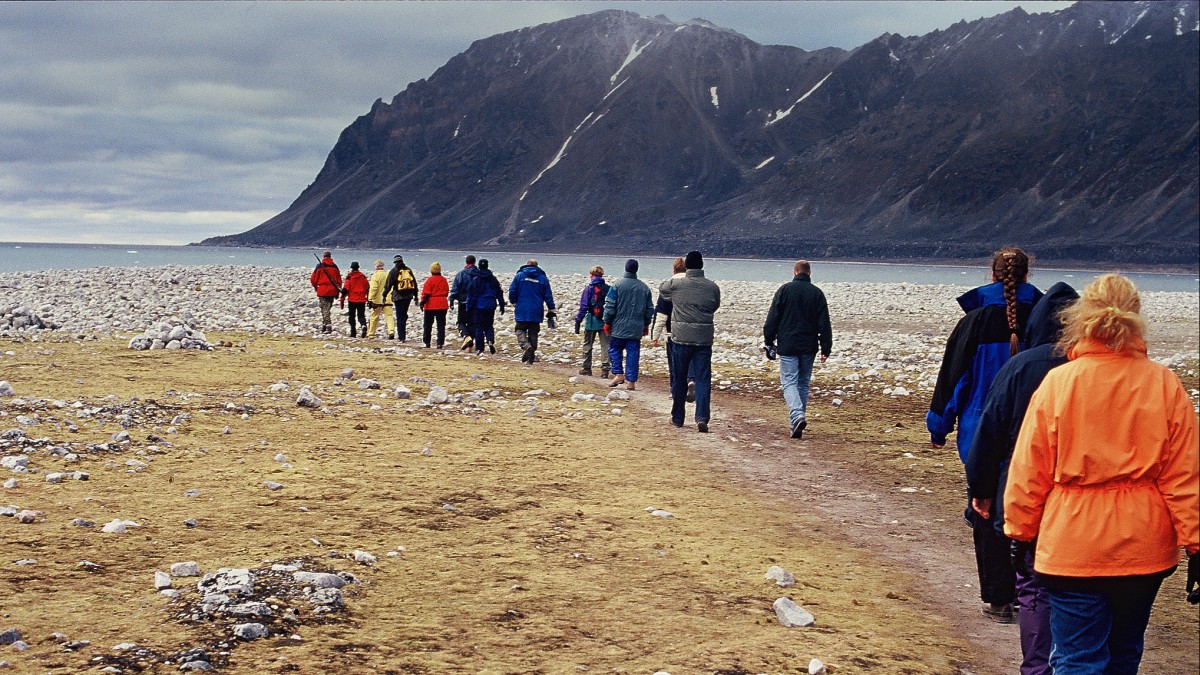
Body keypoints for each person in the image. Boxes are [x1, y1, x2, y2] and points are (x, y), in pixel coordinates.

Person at [1003, 274, 1199, 674]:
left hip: (1072, 543)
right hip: (1144, 546)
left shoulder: (1059, 382)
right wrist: (1195, 542)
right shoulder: (1163, 383)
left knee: (1077, 658)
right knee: (1125, 653)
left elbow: (1030, 468)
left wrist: (1019, 532)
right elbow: (1184, 474)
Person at [965, 281, 1079, 673]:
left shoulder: (1022, 366)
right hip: (1087, 504)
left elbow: (990, 432)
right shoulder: (1104, 371)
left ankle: (1038, 665)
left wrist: (980, 491)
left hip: (1027, 488)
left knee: (1034, 586)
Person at [927, 246, 1041, 623]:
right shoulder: (1044, 321)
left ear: (991, 276)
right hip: (1036, 431)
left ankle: (999, 598)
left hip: (981, 430)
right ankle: (1033, 591)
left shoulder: (974, 321)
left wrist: (939, 426)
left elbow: (953, 379)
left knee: (984, 505)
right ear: (1027, 275)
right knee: (1034, 508)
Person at [762, 259, 832, 439]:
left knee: (789, 382)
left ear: (795, 272)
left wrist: (768, 340)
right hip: (809, 346)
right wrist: (826, 347)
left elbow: (773, 318)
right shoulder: (817, 293)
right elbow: (824, 323)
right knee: (802, 383)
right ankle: (796, 422)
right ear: (809, 273)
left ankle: (797, 416)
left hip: (788, 344)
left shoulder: (784, 290)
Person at [658, 250, 720, 432]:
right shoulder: (712, 287)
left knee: (679, 378)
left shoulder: (677, 285)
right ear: (702, 266)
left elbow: (662, 289)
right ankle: (702, 417)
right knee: (702, 379)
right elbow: (714, 305)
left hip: (680, 338)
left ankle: (677, 417)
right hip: (703, 339)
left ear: (686, 266)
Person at [602, 259, 655, 391]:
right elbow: (649, 309)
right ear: (637, 269)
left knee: (614, 349)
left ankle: (618, 374)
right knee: (633, 353)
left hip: (619, 325)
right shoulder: (644, 288)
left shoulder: (617, 286)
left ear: (625, 269)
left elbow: (610, 306)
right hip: (636, 326)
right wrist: (646, 323)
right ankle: (631, 382)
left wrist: (607, 321)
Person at [651, 257, 694, 401]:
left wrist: (655, 335)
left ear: (673, 270)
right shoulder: (694, 286)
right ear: (687, 269)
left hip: (673, 331)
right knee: (691, 359)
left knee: (674, 363)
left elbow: (661, 315)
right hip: (692, 330)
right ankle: (691, 380)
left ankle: (675, 390)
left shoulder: (668, 287)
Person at [508, 259, 556, 364]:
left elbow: (512, 290)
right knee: (533, 331)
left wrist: (513, 301)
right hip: (536, 308)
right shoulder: (543, 278)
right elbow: (548, 295)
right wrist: (551, 308)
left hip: (522, 307)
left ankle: (526, 346)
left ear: (527, 265)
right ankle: (531, 353)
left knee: (519, 329)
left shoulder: (519, 276)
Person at [574, 265, 611, 377]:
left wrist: (578, 320)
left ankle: (586, 368)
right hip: (605, 320)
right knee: (605, 345)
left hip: (591, 319)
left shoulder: (588, 288)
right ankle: (605, 370)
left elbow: (584, 306)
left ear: (592, 275)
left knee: (588, 344)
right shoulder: (608, 288)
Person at [465, 258, 505, 354]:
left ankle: (479, 348)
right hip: (490, 305)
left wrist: (469, 307)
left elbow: (472, 295)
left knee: (479, 326)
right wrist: (502, 305)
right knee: (489, 325)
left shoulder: (476, 279)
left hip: (479, 306)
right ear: (487, 266)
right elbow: (499, 293)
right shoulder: (493, 279)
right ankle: (490, 341)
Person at [382, 255, 419, 342]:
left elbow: (388, 285)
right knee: (404, 314)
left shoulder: (393, 271)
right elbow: (414, 283)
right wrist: (416, 296)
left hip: (398, 296)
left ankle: (401, 337)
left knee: (400, 316)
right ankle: (403, 335)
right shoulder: (408, 270)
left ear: (395, 262)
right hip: (408, 296)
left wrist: (384, 295)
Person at [309, 250, 342, 334]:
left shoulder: (319, 266)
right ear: (330, 257)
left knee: (324, 309)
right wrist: (337, 292)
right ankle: (324, 325)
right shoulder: (335, 267)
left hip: (323, 290)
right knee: (327, 308)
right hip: (332, 290)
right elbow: (339, 280)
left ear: (323, 257)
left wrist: (316, 287)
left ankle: (328, 326)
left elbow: (313, 279)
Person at [449, 255, 479, 350]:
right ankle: (470, 345)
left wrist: (452, 300)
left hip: (463, 301)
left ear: (466, 262)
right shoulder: (479, 274)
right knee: (472, 323)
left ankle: (466, 337)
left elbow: (455, 289)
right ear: (474, 262)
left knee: (461, 322)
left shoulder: (461, 274)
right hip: (476, 302)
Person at [419, 262, 450, 348]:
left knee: (428, 325)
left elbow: (426, 294)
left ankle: (427, 342)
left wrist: (422, 303)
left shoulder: (429, 280)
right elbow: (446, 292)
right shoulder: (444, 280)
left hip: (431, 305)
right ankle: (440, 343)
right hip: (442, 304)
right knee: (441, 325)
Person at [365, 260, 395, 339]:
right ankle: (391, 331)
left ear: (376, 267)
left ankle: (371, 334)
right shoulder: (388, 275)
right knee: (389, 316)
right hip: (387, 299)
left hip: (377, 300)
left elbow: (374, 288)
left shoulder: (375, 276)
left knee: (374, 317)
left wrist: (370, 298)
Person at [341, 261, 370, 337]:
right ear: (358, 267)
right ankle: (363, 325)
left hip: (352, 299)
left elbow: (346, 288)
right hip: (361, 299)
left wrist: (342, 295)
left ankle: (353, 332)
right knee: (361, 315)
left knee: (352, 316)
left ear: (351, 268)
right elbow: (367, 287)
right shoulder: (363, 276)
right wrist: (368, 298)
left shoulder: (349, 277)